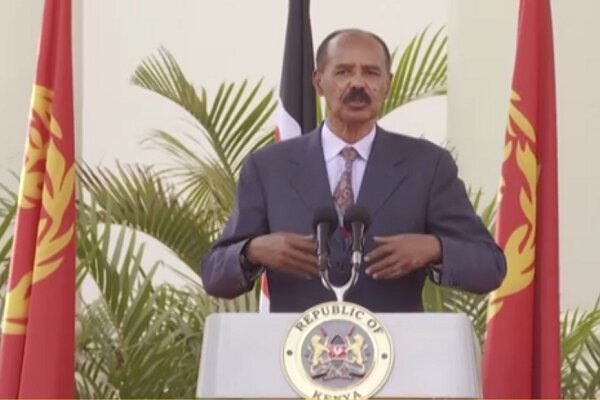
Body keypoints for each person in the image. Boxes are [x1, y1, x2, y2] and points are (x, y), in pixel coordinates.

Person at [201, 29, 506, 312]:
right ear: (318, 81)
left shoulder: (427, 165)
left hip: (395, 348)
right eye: (343, 72)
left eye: (371, 73)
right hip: (296, 347)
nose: (358, 84)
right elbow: (215, 275)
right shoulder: (269, 167)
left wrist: (434, 248)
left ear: (387, 84)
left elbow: (489, 267)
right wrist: (252, 251)